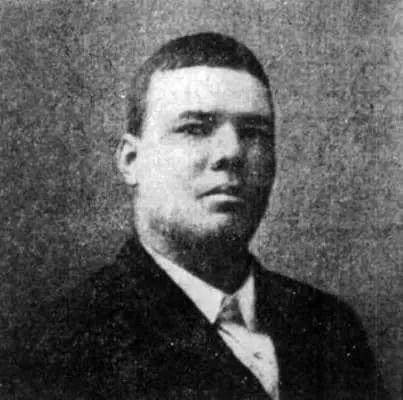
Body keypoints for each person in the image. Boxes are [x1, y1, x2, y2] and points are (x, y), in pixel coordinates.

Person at [10, 32, 384, 399]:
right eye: (195, 129)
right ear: (131, 161)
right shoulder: (62, 346)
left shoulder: (329, 326)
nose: (231, 152)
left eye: (253, 133)